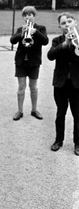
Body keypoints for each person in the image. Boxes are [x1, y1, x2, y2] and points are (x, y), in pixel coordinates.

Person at [47, 12, 79, 156]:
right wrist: (65, 44)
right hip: (60, 83)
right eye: (64, 23)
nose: (67, 25)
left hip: (76, 83)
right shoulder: (57, 40)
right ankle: (58, 140)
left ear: (75, 23)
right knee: (61, 113)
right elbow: (50, 55)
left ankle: (77, 143)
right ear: (60, 26)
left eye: (69, 21)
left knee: (77, 115)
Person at [10, 6, 49, 121]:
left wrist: (35, 32)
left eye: (30, 15)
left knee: (33, 87)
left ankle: (34, 109)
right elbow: (12, 40)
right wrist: (21, 34)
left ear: (34, 16)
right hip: (21, 62)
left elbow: (45, 41)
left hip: (34, 62)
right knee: (21, 87)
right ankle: (20, 111)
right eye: (25, 15)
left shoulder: (41, 28)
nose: (27, 17)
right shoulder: (20, 29)